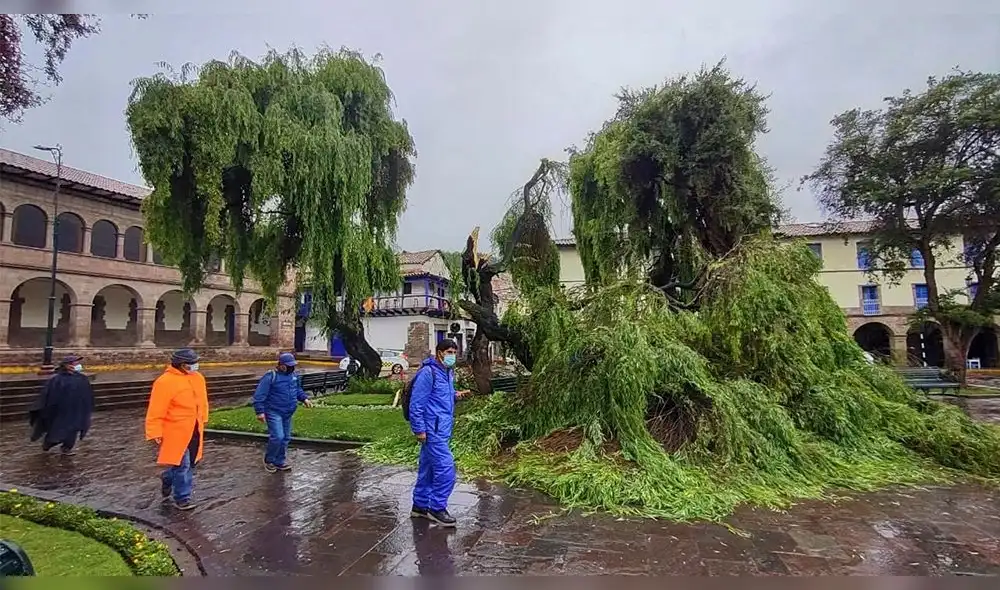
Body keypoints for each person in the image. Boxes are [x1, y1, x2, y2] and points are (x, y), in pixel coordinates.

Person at [407, 339, 470, 527]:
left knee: (427, 468)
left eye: (454, 352)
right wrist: (419, 430)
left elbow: (440, 397)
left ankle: (419, 506)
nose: (452, 355)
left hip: (441, 428)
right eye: (449, 351)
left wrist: (456, 396)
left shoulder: (447, 372)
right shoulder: (428, 373)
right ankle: (437, 508)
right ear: (439, 352)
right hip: (432, 430)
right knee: (446, 469)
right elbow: (417, 404)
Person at [145, 348, 209, 510]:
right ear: (182, 365)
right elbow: (156, 409)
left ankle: (167, 477)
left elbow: (202, 401)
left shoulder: (198, 378)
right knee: (183, 465)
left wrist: (204, 418)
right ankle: (182, 497)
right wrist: (155, 431)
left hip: (194, 427)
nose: (196, 366)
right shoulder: (165, 382)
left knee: (192, 462)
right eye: (192, 363)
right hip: (175, 430)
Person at [253, 352, 313, 473]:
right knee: (277, 437)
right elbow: (259, 395)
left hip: (288, 412)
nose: (291, 368)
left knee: (285, 437)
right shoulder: (271, 376)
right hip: (274, 411)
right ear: (281, 365)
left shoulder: (293, 376)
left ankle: (279, 461)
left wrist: (304, 398)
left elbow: (297, 389)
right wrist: (260, 411)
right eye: (288, 365)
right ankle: (269, 460)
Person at [28, 354, 94, 456]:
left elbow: (86, 394)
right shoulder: (57, 379)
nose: (77, 365)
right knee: (59, 430)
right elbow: (49, 395)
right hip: (62, 410)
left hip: (77, 409)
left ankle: (66, 448)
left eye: (77, 363)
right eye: (74, 363)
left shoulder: (82, 379)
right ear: (67, 365)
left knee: (73, 429)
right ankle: (49, 443)